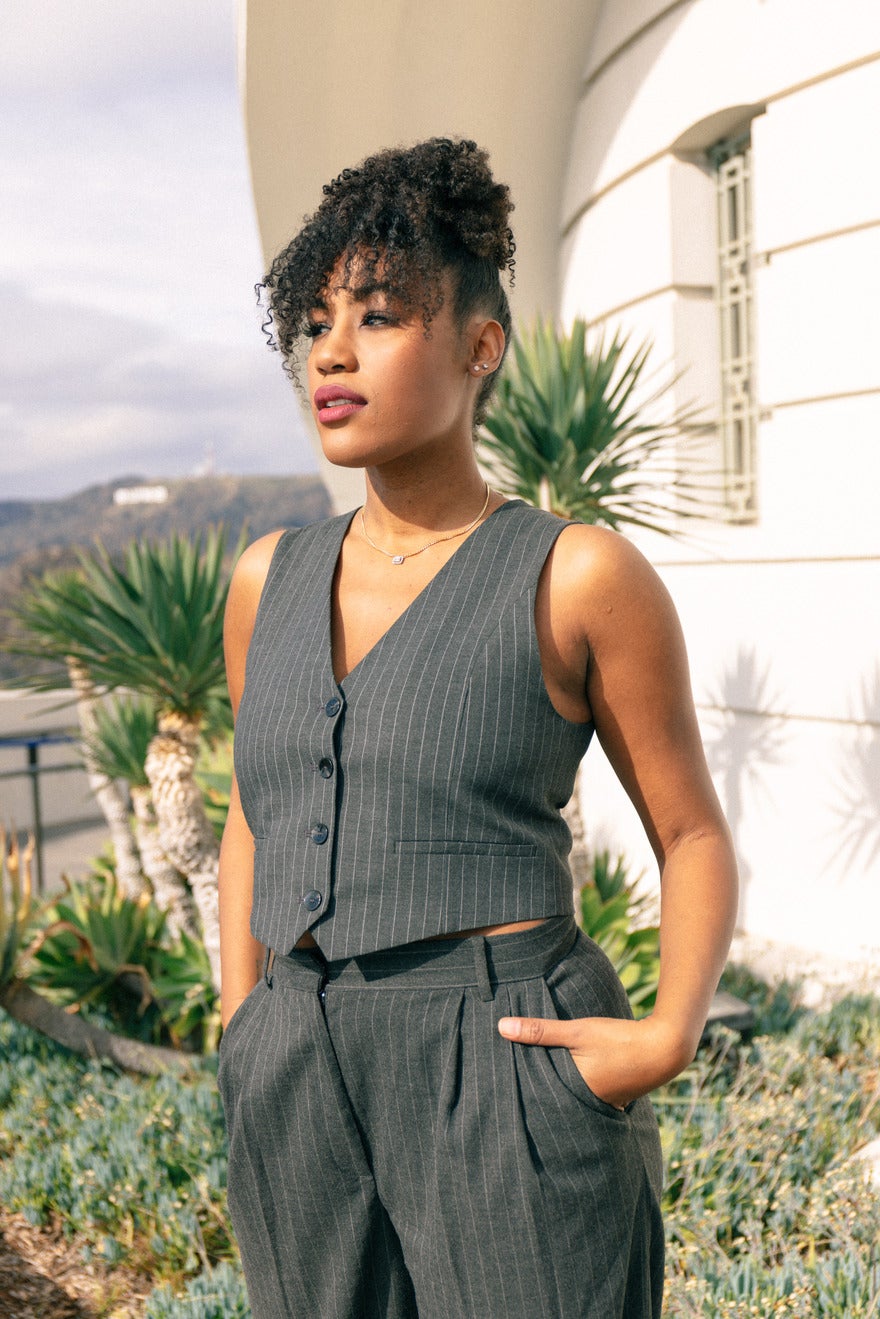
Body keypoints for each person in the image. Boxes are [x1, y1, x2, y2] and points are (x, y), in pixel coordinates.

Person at [218, 137, 738, 1319]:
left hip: (498, 1053)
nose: (331, 351)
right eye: (315, 321)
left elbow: (691, 832)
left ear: (480, 345)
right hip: (294, 1060)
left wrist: (661, 1034)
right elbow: (260, 807)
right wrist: (241, 1014)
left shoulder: (576, 575)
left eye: (380, 315)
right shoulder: (267, 577)